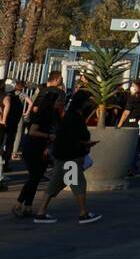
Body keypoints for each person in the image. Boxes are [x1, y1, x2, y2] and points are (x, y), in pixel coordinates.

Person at [33, 90, 101, 224]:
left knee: (56, 183)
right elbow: (74, 137)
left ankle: (41, 211)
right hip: (71, 156)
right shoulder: (75, 118)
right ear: (83, 103)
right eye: (88, 101)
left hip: (62, 155)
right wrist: (85, 143)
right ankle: (83, 213)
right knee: (78, 183)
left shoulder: (69, 116)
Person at [13, 77, 64, 218]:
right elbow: (33, 131)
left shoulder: (55, 115)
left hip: (43, 148)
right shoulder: (42, 114)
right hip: (33, 147)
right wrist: (48, 136)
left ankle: (27, 206)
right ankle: (19, 204)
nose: (61, 103)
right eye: (59, 101)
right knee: (34, 177)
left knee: (36, 177)